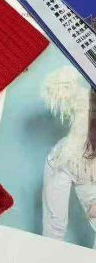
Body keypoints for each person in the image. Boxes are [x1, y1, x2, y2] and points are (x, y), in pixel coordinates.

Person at [42, 66, 96, 247]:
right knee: (55, 227)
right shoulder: (84, 97)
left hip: (90, 170)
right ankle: (46, 260)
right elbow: (55, 86)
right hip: (62, 162)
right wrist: (79, 70)